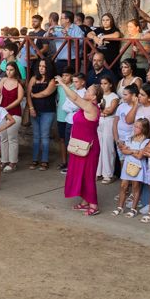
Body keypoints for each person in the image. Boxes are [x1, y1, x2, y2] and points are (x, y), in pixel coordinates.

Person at [60, 79, 101, 214]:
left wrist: (63, 84)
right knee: (80, 174)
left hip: (89, 147)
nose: (86, 92)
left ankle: (93, 205)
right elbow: (72, 98)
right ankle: (85, 201)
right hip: (79, 145)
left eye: (88, 91)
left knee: (88, 176)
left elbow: (75, 97)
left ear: (94, 97)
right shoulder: (86, 106)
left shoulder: (91, 107)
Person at [26, 57, 58, 170]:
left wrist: (34, 95)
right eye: (40, 66)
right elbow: (28, 93)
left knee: (44, 136)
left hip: (48, 111)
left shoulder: (52, 80)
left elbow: (46, 93)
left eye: (44, 66)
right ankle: (35, 160)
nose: (41, 68)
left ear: (48, 68)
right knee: (36, 136)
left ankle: (44, 161)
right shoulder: (34, 78)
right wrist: (31, 108)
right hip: (35, 110)